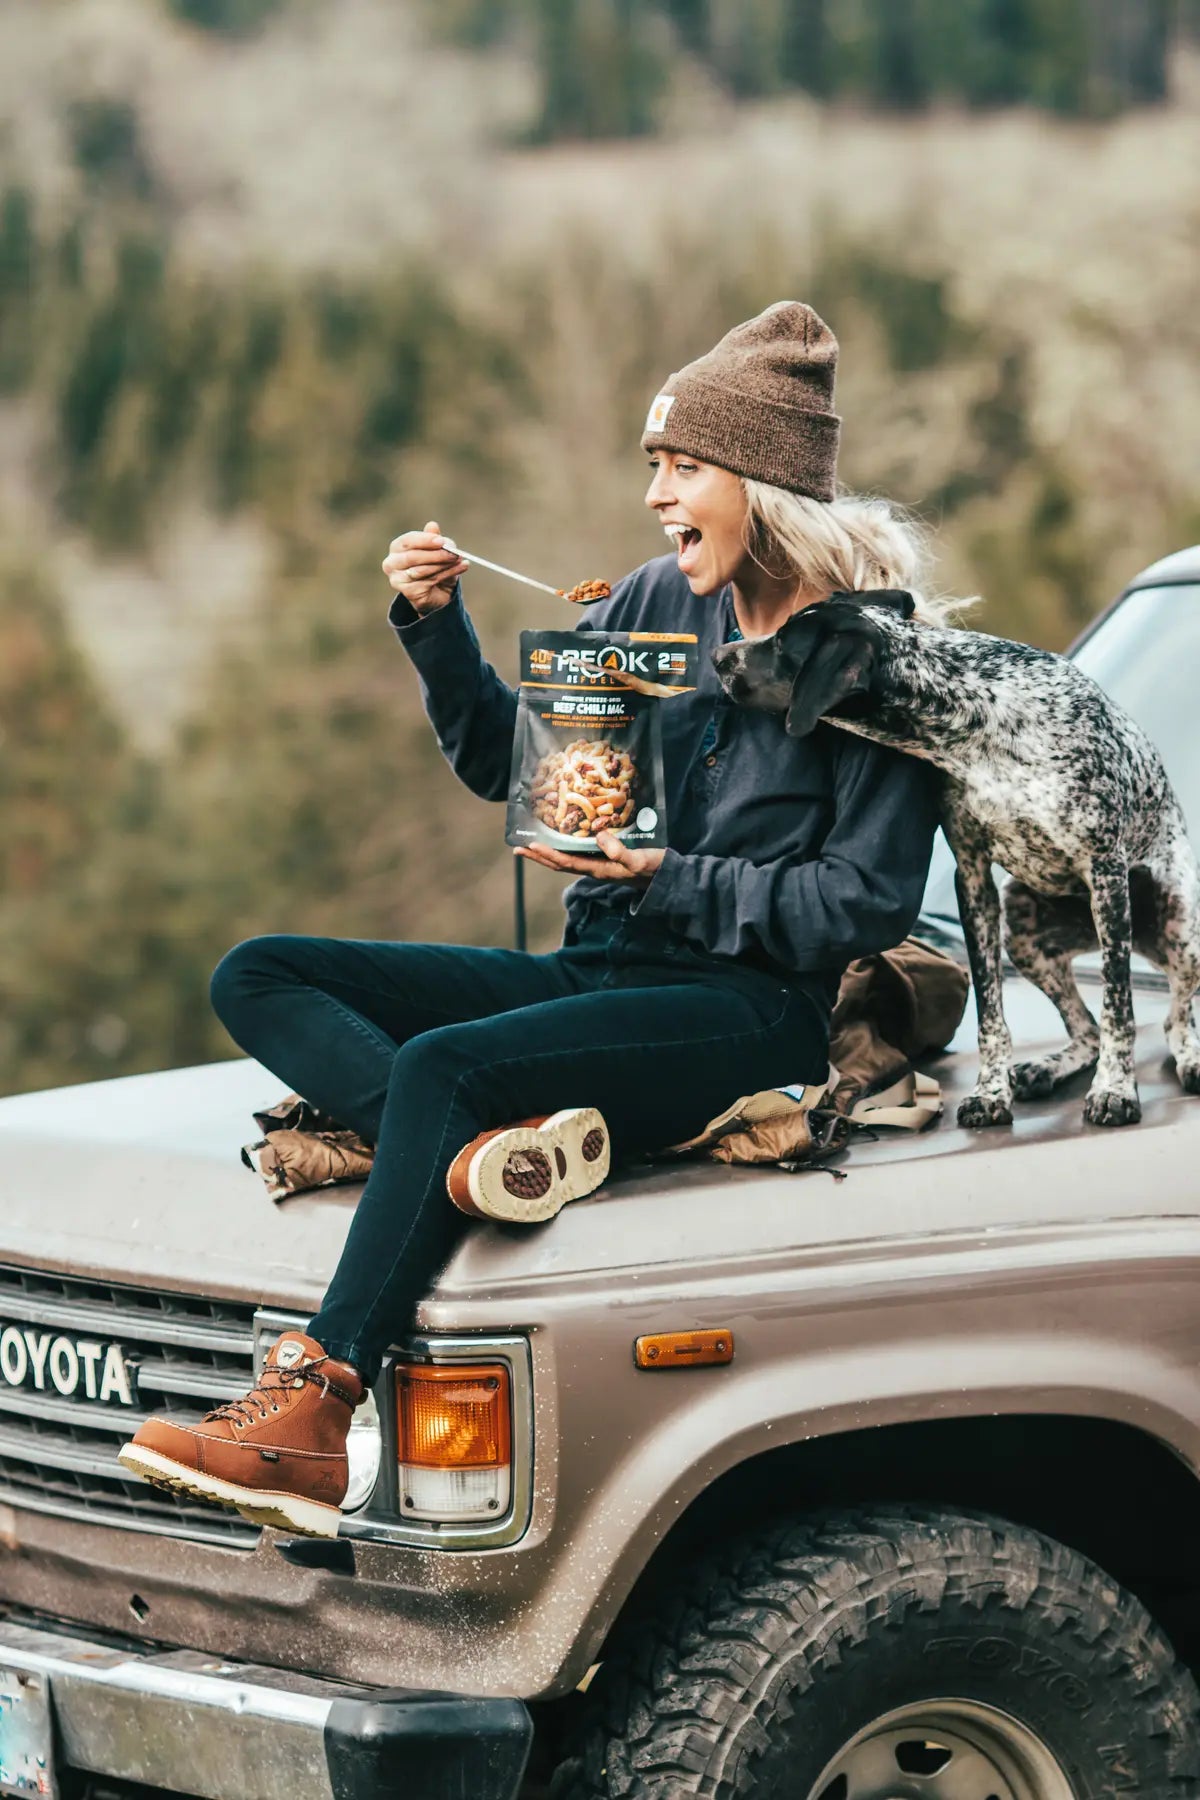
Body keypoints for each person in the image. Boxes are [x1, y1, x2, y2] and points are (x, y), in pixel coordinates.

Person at [118, 301, 943, 1538]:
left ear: (764, 482)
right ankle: (458, 1161)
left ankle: (311, 1412)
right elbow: (529, 771)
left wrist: (668, 873)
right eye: (653, 465)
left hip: (747, 1015)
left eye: (684, 467)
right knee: (261, 972)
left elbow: (864, 901)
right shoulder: (658, 601)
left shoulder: (877, 658)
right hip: (599, 972)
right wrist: (436, 630)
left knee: (448, 1064)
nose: (659, 494)